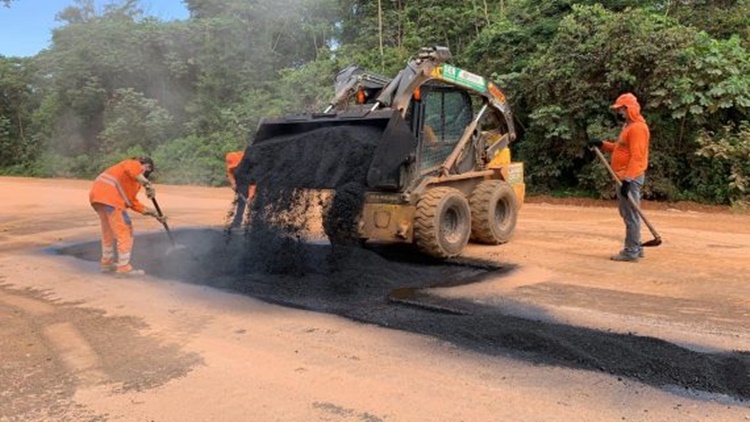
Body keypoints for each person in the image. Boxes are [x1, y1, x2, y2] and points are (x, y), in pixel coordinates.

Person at [589, 93, 650, 262]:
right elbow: (620, 149)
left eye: (621, 109)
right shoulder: (628, 127)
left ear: (629, 109)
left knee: (630, 215)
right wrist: (602, 144)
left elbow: (637, 157)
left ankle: (631, 251)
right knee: (629, 213)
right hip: (624, 176)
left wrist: (628, 180)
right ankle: (636, 247)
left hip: (629, 177)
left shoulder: (638, 128)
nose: (618, 113)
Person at [89, 157, 166, 277]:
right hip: (111, 199)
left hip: (98, 198)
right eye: (147, 169)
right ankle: (124, 268)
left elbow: (132, 203)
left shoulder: (132, 183)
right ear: (147, 166)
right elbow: (132, 169)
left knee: (108, 231)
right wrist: (147, 184)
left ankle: (107, 263)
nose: (146, 172)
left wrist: (155, 213)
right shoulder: (132, 164)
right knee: (125, 230)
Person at [225, 151, 256, 228]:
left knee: (254, 200)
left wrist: (251, 195)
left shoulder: (249, 161)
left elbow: (254, 182)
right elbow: (230, 173)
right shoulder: (231, 161)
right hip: (241, 180)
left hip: (252, 178)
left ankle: (255, 221)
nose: (234, 167)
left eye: (236, 166)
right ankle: (237, 222)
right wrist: (234, 184)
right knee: (241, 201)